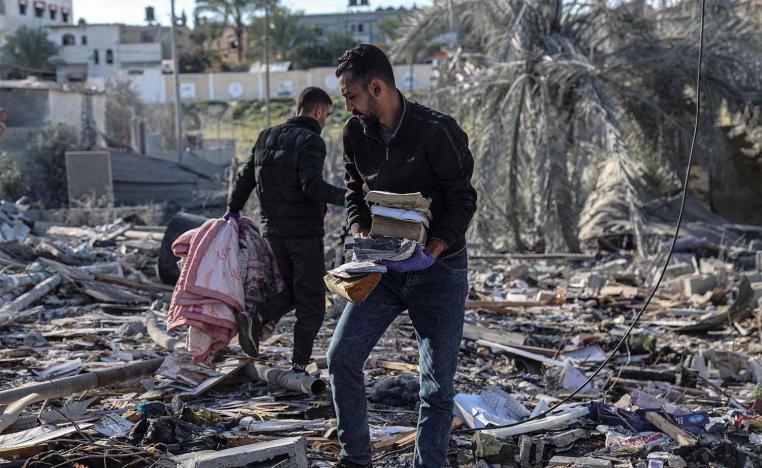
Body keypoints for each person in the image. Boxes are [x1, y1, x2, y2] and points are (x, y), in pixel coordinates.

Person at [327, 44, 477, 468]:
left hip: (439, 269)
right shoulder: (354, 133)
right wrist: (362, 235)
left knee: (436, 384)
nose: (349, 106)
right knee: (341, 357)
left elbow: (463, 199)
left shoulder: (437, 131)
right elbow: (354, 191)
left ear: (377, 87)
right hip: (384, 268)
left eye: (351, 96)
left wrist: (433, 249)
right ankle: (356, 458)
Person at [226, 86, 345, 374]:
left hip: (273, 233)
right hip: (303, 235)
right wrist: (351, 197)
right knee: (313, 303)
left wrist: (232, 210)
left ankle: (257, 316)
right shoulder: (311, 141)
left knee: (292, 291)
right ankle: (299, 366)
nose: (325, 121)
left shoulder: (266, 136)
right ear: (318, 112)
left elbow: (245, 177)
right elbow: (311, 186)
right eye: (326, 115)